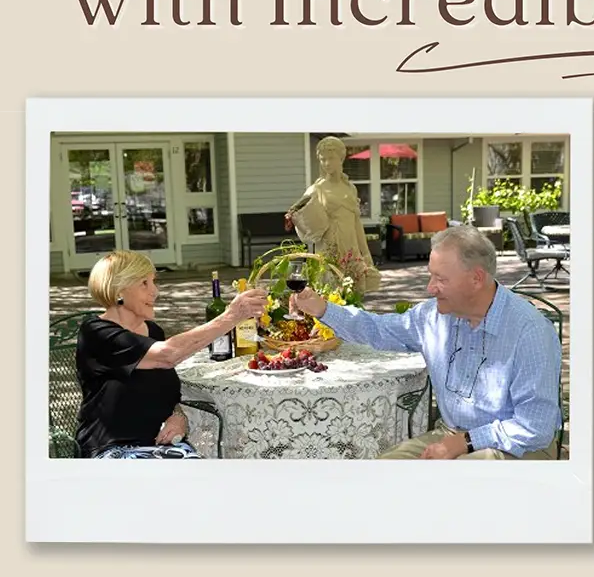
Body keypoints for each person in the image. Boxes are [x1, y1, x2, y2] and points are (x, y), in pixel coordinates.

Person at [290, 225, 562, 460]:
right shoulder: (433, 317)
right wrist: (323, 309)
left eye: (441, 279)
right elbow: (377, 329)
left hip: (518, 449)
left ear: (476, 279)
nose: (430, 288)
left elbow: (534, 428)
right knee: (381, 473)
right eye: (431, 275)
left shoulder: (529, 332)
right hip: (451, 436)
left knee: (441, 488)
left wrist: (466, 441)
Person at [75, 251, 267, 459]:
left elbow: (164, 388)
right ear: (118, 290)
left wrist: (178, 415)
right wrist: (231, 316)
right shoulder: (97, 332)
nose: (155, 291)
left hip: (161, 448)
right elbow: (167, 355)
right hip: (111, 450)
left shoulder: (153, 331)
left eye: (154, 282)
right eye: (144, 283)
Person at [286, 136, 381, 293]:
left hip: (351, 251)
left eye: (331, 158)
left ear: (341, 158)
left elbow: (356, 224)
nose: (326, 163)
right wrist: (296, 216)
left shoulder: (350, 189)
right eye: (323, 159)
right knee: (329, 299)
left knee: (354, 300)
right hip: (328, 252)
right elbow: (303, 222)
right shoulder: (316, 190)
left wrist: (366, 254)